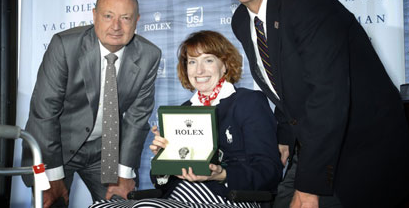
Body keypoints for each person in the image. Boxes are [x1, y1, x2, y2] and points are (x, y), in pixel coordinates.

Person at [208, 0, 409, 208]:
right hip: (315, 145)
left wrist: (308, 189)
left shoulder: (304, 1)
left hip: (362, 147)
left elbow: (328, 96)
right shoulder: (242, 22)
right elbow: (282, 83)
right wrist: (283, 138)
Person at [90, 30, 282, 208]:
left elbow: (269, 172)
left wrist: (221, 174)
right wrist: (164, 159)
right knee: (99, 206)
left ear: (224, 65)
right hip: (181, 196)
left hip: (231, 197)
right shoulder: (184, 111)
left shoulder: (248, 102)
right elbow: (164, 182)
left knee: (148, 207)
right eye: (192, 62)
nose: (199, 70)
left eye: (208, 60)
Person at [21, 0, 162, 207]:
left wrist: (124, 174)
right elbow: (44, 113)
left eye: (125, 18)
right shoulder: (64, 46)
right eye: (108, 16)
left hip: (104, 150)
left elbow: (137, 118)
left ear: (137, 20)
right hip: (56, 146)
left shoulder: (149, 55)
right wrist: (53, 176)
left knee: (120, 203)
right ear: (94, 15)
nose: (116, 26)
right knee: (52, 203)